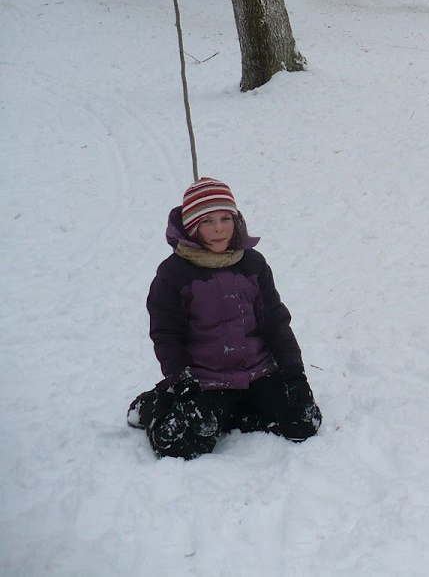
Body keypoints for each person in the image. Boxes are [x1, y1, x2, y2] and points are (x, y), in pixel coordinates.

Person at [126, 178, 322, 459]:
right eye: (207, 221)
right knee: (182, 446)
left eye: (225, 218)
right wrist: (183, 385)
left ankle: (233, 414)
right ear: (193, 227)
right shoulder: (174, 273)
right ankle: (155, 405)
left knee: (303, 423)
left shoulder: (253, 264)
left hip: (257, 371)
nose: (219, 228)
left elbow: (276, 322)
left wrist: (294, 374)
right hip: (206, 379)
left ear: (236, 220)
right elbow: (166, 335)